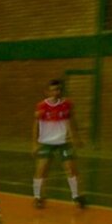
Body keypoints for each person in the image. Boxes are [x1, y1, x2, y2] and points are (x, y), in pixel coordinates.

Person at [32, 79, 85, 209]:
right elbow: (36, 125)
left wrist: (75, 137)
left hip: (63, 141)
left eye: (58, 89)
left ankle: (76, 196)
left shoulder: (67, 104)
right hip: (46, 142)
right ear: (47, 91)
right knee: (41, 169)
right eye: (53, 90)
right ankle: (38, 196)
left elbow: (70, 121)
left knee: (71, 169)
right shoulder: (42, 106)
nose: (56, 92)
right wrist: (34, 143)